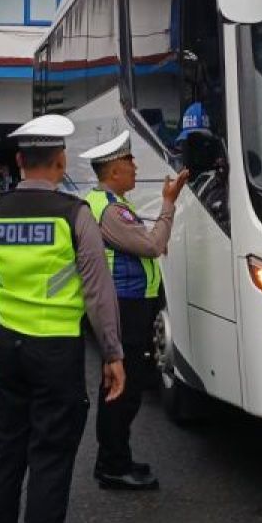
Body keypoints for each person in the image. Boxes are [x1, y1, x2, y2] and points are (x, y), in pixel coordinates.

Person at [0, 114, 126, 523]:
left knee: (6, 456)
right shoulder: (74, 215)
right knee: (51, 461)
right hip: (57, 352)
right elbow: (98, 292)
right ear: (60, 162)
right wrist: (112, 354)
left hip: (7, 348)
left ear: (19, 160)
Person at [79, 131, 189, 490]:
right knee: (122, 388)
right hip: (124, 305)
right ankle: (112, 465)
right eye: (129, 162)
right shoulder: (110, 209)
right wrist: (168, 203)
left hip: (126, 302)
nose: (135, 167)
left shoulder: (105, 201)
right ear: (113, 171)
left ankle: (116, 458)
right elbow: (152, 245)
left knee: (123, 384)